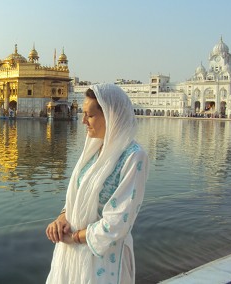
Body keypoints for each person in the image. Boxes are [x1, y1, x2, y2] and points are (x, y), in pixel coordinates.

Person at [46, 83, 149, 284]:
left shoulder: (133, 157)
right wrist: (61, 219)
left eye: (90, 115)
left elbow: (117, 222)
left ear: (111, 116)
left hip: (103, 262)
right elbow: (77, 196)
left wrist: (75, 237)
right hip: (70, 255)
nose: (83, 121)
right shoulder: (95, 150)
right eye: (83, 114)